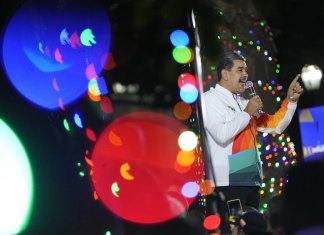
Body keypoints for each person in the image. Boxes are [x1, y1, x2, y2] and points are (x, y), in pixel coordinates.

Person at [202, 51, 303, 234]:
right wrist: (247, 112)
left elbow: (275, 126)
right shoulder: (209, 100)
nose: (245, 75)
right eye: (240, 70)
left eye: (246, 70)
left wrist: (290, 101)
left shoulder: (243, 102)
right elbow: (222, 134)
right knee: (232, 230)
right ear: (225, 74)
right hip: (229, 181)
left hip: (250, 179)